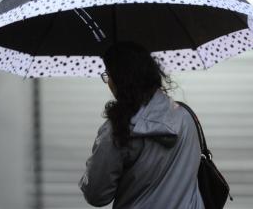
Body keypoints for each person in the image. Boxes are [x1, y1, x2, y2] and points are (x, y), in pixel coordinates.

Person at [79, 41, 205, 209]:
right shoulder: (186, 117)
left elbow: (96, 194)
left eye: (108, 75)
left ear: (119, 80)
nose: (108, 82)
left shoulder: (118, 129)